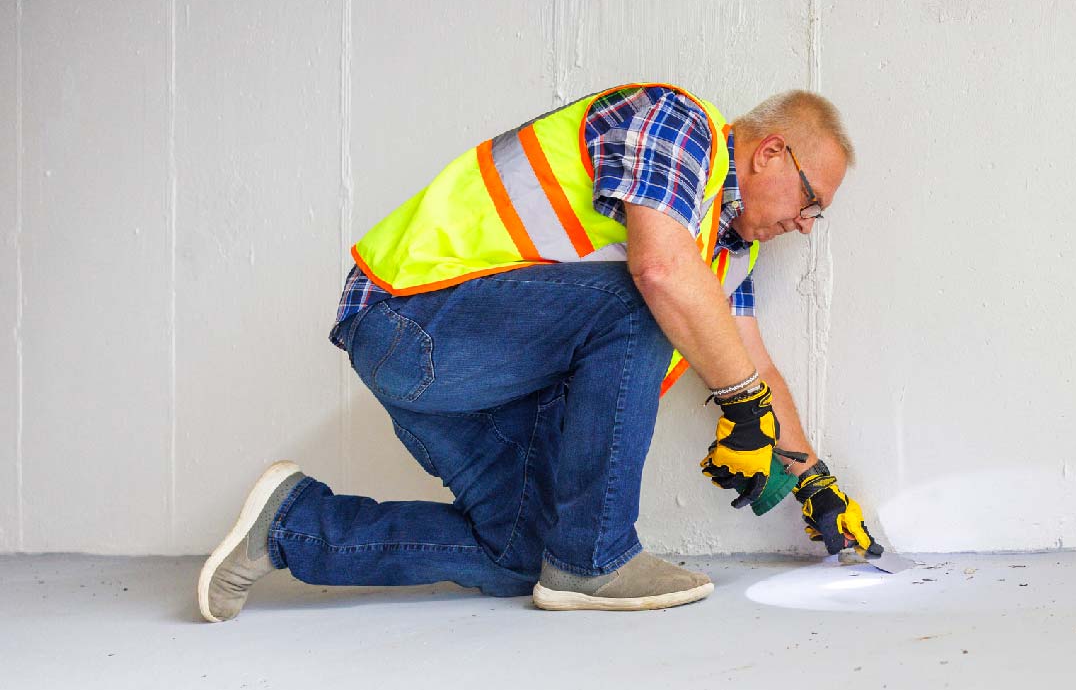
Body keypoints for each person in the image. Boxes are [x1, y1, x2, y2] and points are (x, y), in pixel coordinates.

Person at [197, 82, 881, 621]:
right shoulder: (677, 125)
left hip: (471, 383)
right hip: (411, 322)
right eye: (811, 202)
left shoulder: (725, 253)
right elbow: (661, 275)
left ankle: (291, 525)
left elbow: (750, 363)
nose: (805, 225)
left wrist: (813, 481)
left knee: (521, 551)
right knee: (646, 295)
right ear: (769, 155)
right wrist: (742, 405)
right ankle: (597, 559)